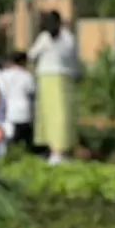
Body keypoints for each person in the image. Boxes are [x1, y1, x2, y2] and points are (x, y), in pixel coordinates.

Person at [29, 11, 79, 165]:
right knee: (62, 114)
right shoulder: (68, 37)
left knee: (48, 114)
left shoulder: (44, 37)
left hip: (46, 77)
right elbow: (74, 58)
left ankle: (53, 151)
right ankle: (60, 152)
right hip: (64, 78)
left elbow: (31, 54)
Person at [1, 52, 36, 149]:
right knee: (24, 140)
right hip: (23, 112)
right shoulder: (27, 76)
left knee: (9, 141)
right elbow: (32, 92)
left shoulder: (3, 74)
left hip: (7, 112)